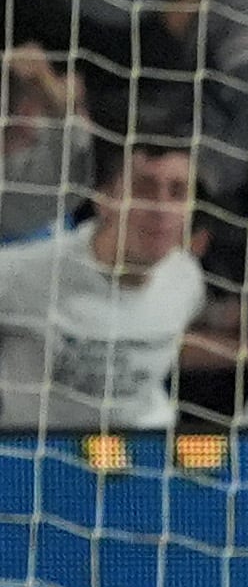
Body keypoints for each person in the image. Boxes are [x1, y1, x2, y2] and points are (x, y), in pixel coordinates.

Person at [0, 130, 205, 431]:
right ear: (105, 199)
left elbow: (160, 342)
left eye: (177, 192)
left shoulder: (187, 278)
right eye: (144, 189)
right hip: (45, 458)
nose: (161, 208)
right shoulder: (24, 271)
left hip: (147, 451)